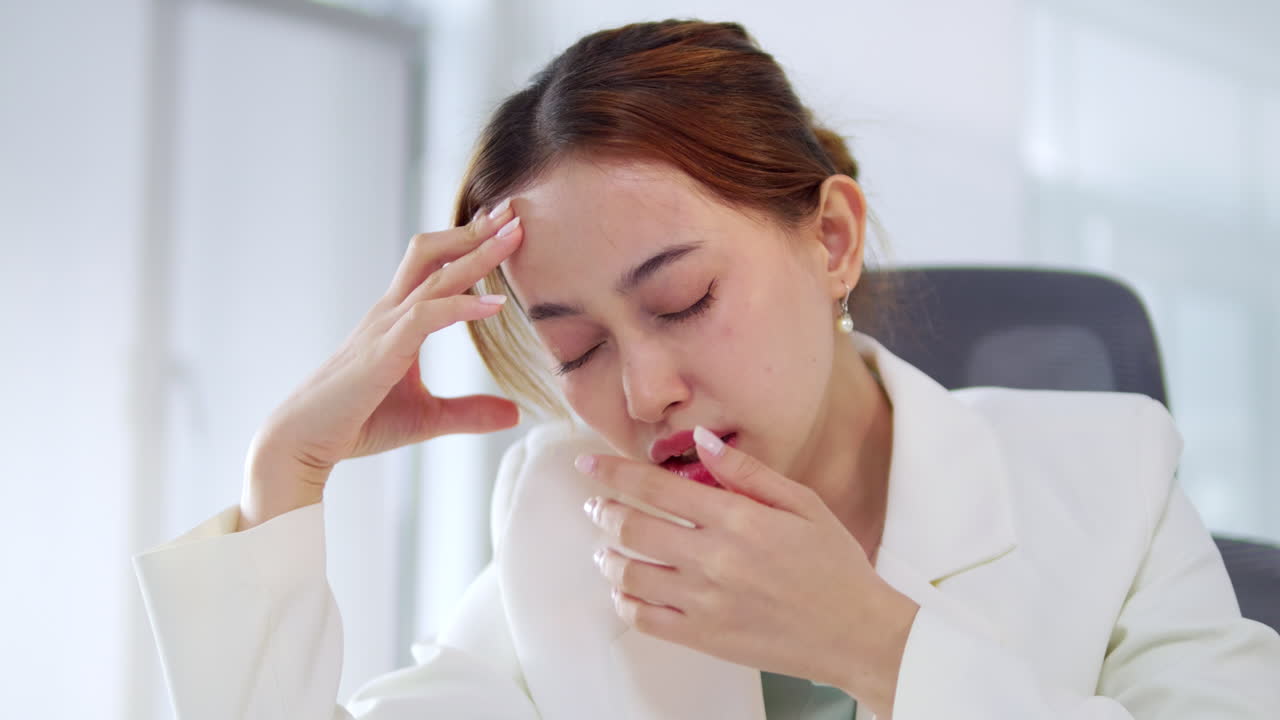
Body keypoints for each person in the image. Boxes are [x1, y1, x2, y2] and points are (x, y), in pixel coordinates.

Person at [134, 19, 1280, 720]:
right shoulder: (567, 514)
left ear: (829, 239)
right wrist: (284, 475)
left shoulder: (1110, 475)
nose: (643, 395)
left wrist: (870, 646)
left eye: (682, 301)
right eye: (575, 348)